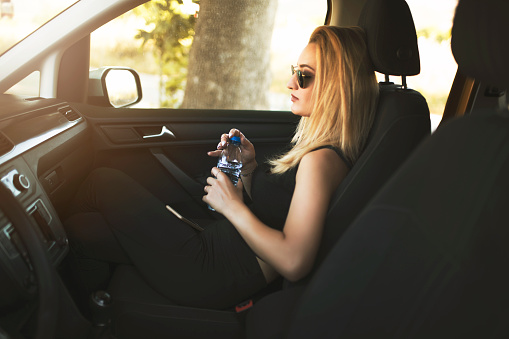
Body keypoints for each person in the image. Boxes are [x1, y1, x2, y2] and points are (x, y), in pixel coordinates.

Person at [64, 25, 379, 310]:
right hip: (218, 247)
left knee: (102, 181)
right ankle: (91, 315)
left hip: (210, 269)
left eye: (305, 76)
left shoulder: (320, 160)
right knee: (82, 231)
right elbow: (283, 211)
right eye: (294, 71)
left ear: (336, 87)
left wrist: (232, 206)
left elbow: (294, 261)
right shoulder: (322, 152)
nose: (290, 82)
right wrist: (249, 166)